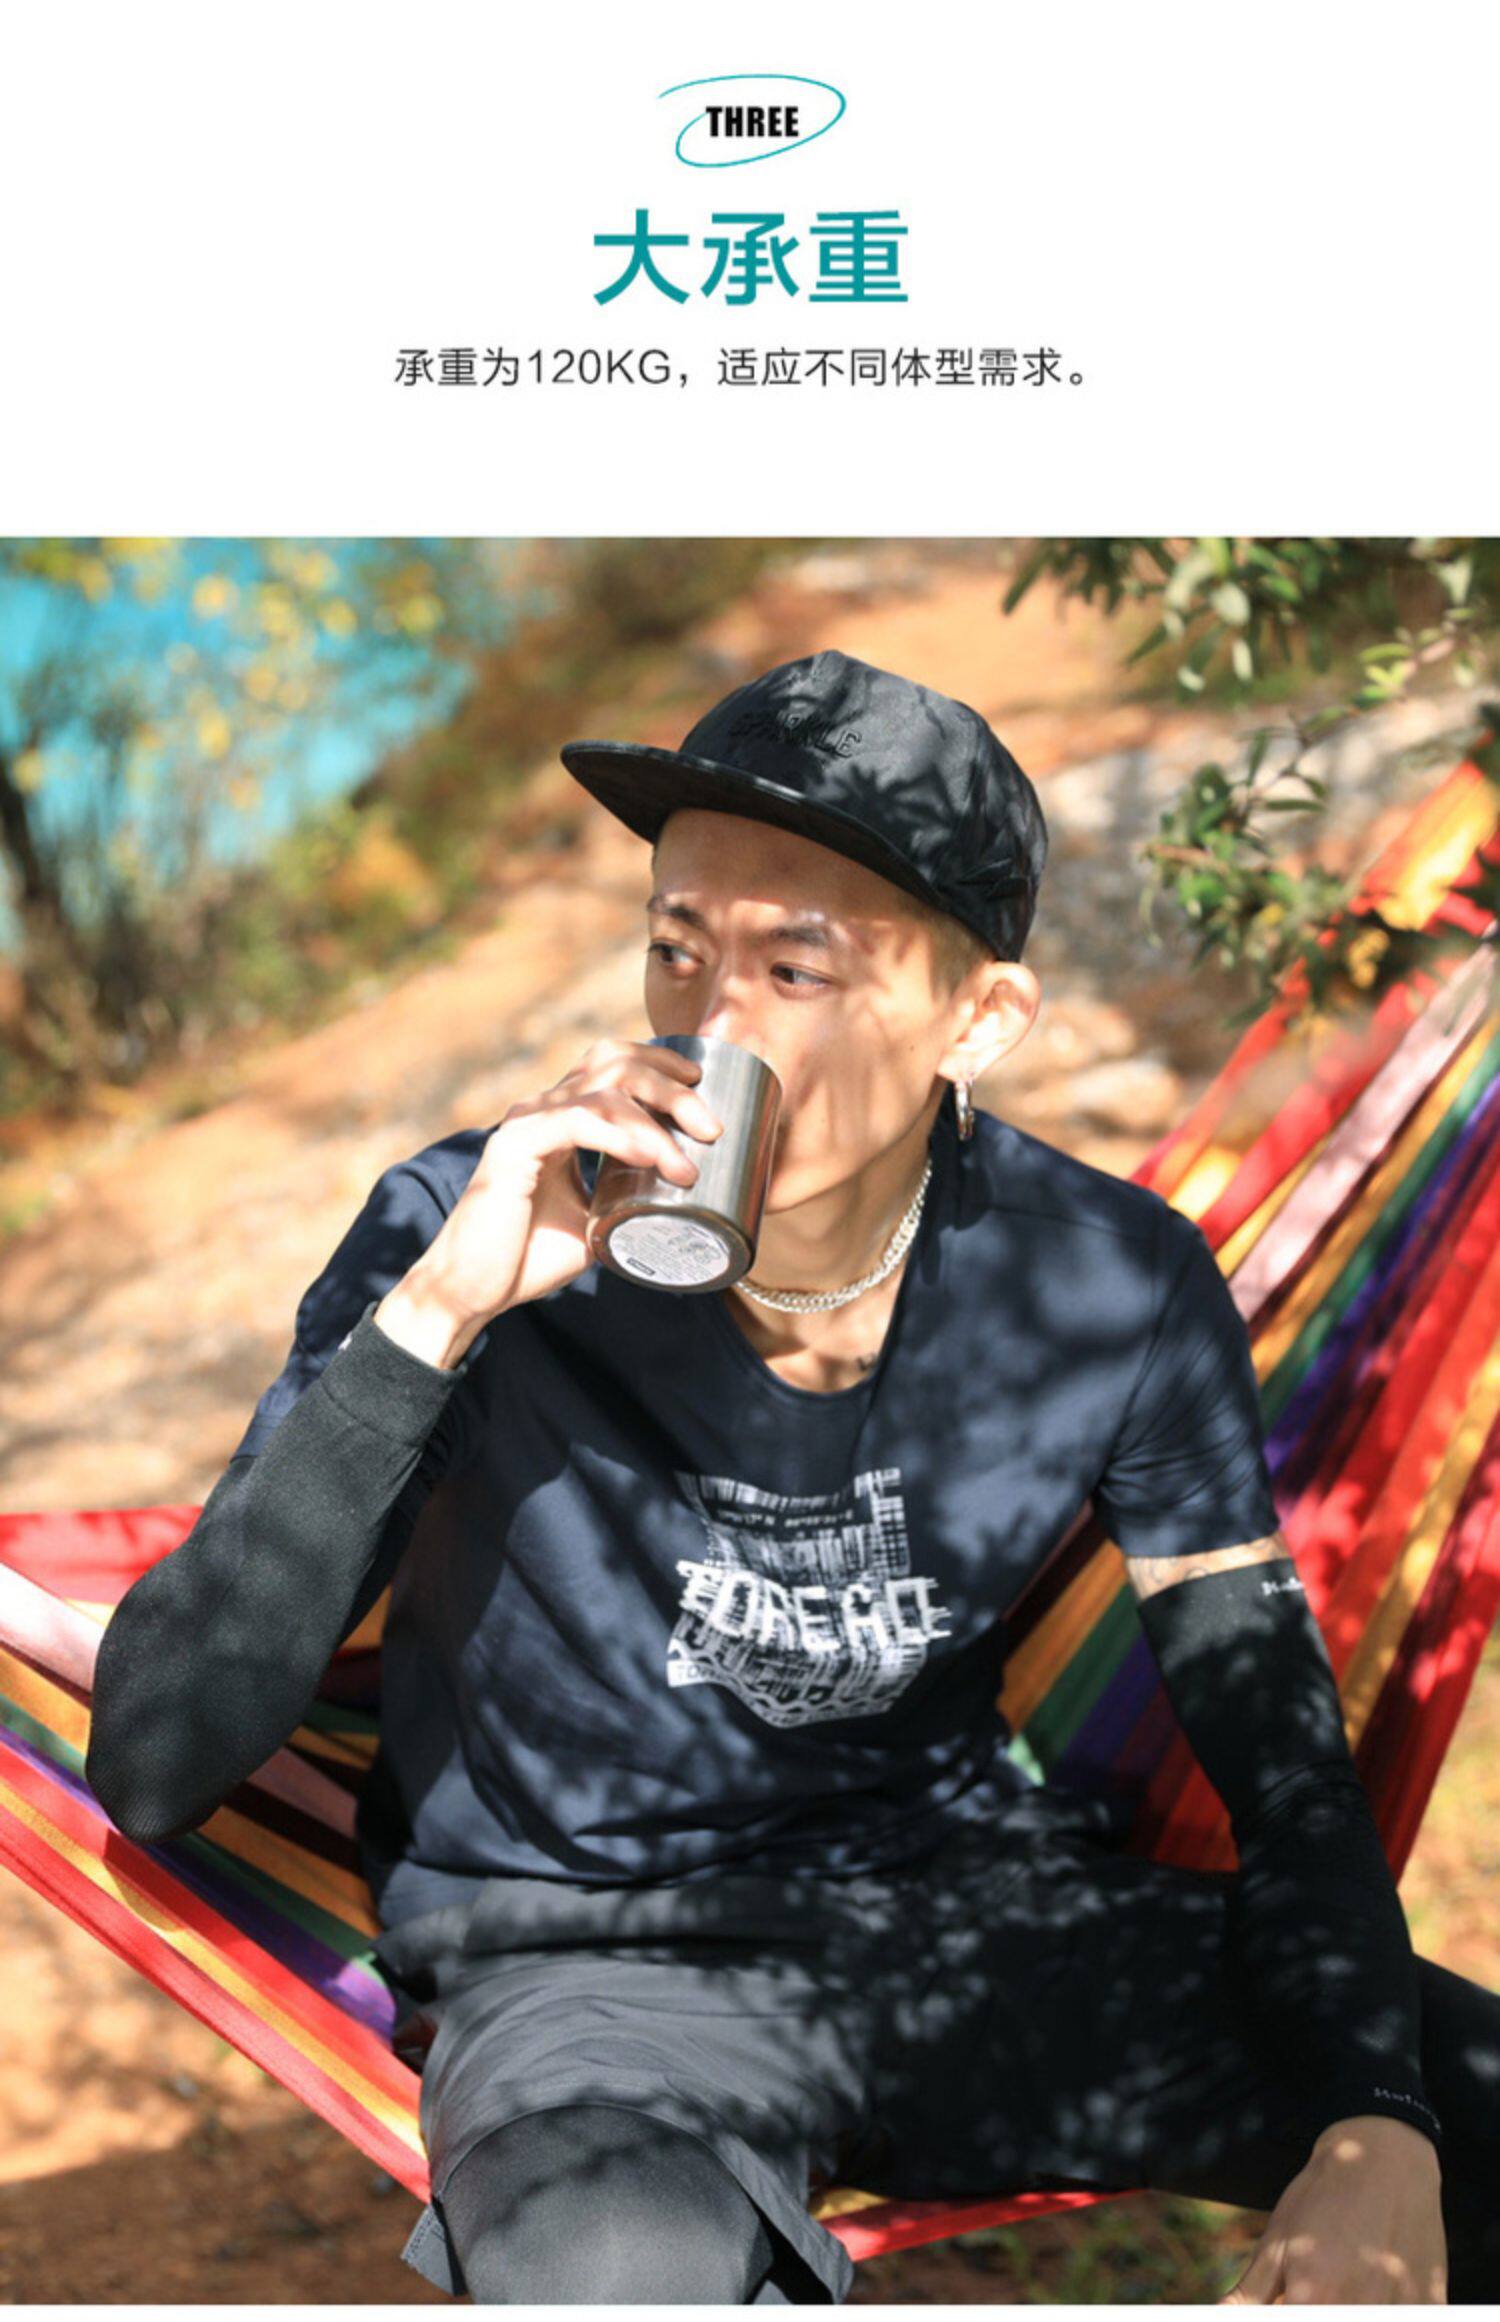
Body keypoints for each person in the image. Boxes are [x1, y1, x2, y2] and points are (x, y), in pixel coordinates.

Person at [86, 649, 1500, 2304]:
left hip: (975, 1923)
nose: (712, 1024)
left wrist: (1377, 2117)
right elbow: (154, 1759)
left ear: (980, 1020)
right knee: (611, 2270)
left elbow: (1276, 1747)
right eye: (678, 948)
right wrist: (442, 1312)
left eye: (795, 965)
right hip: (592, 1963)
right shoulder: (471, 1226)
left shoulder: (1110, 1283)